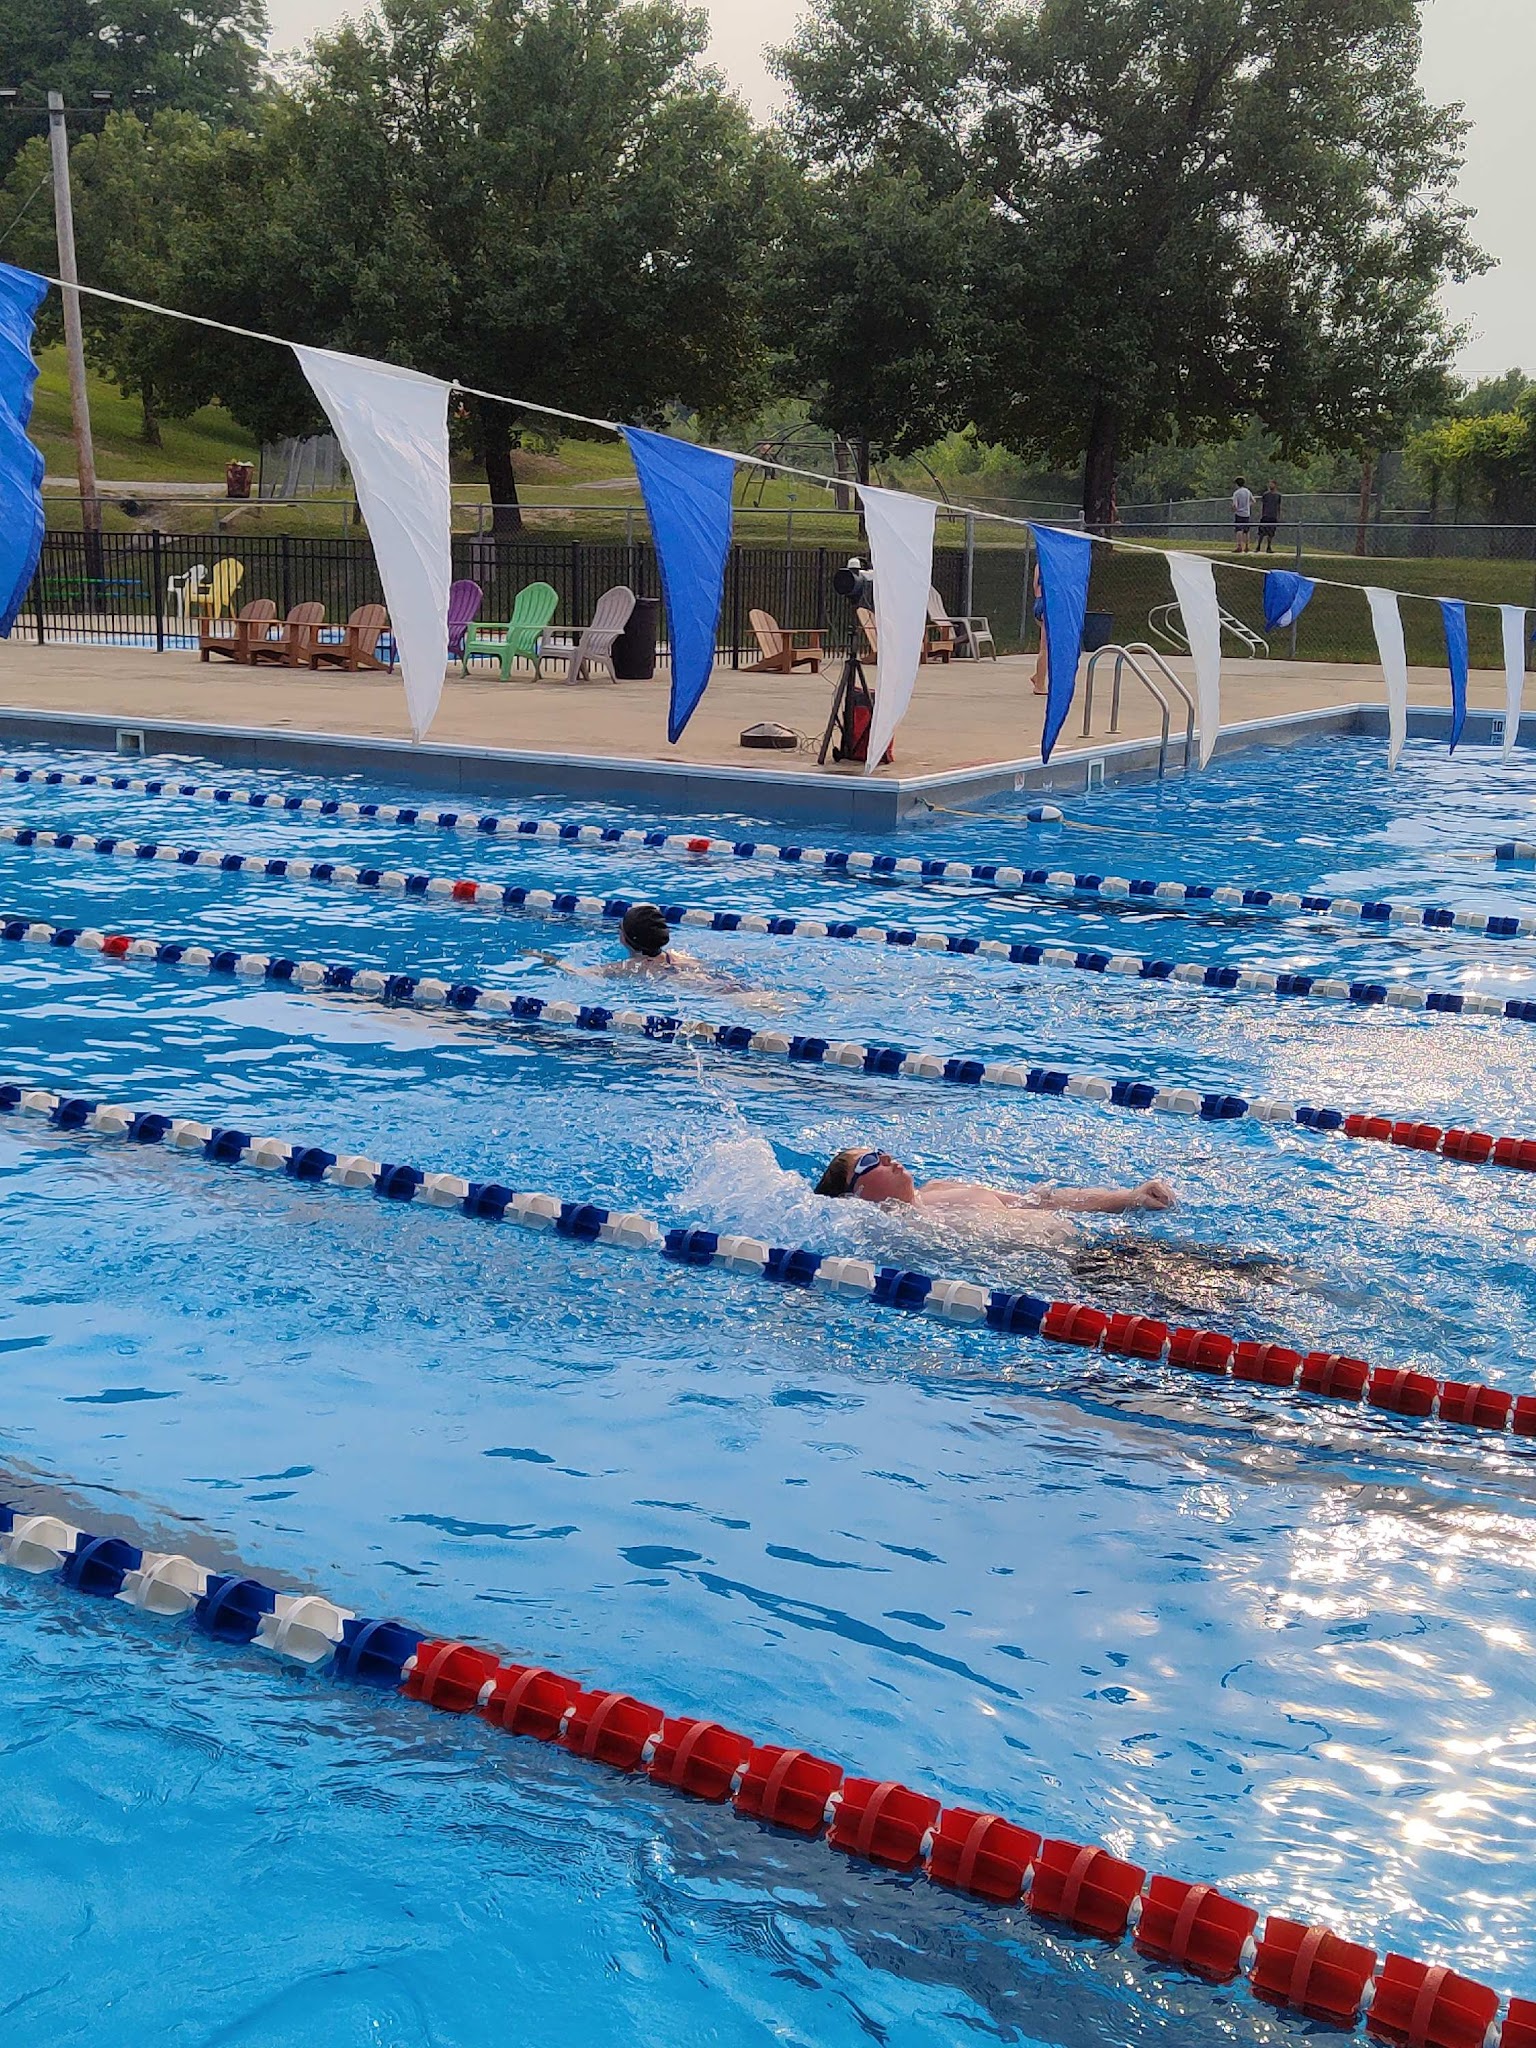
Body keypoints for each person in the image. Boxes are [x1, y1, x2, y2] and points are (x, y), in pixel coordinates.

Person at [815, 1146, 1177, 1215]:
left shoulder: (940, 1187)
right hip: (1076, 1281)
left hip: (1096, 1253)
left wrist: (1129, 1197)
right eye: (870, 1162)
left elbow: (1040, 1201)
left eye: (880, 1152)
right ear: (856, 1196)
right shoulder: (899, 1234)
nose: (888, 1159)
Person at [1030, 564, 1048, 696]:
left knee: (1047, 647)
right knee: (1046, 649)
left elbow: (1035, 585)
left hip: (1039, 600)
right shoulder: (1057, 561)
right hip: (1049, 603)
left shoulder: (1040, 561)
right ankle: (1040, 685)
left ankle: (1038, 676)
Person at [1256, 480, 1282, 553]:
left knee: (1271, 533)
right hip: (1265, 516)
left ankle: (1269, 547)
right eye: (1269, 484)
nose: (1270, 485)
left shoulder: (1278, 495)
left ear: (1275, 485)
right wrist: (1261, 514)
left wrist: (1278, 516)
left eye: (1272, 484)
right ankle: (1258, 547)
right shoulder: (1266, 495)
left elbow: (1278, 506)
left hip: (1273, 516)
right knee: (1262, 533)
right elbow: (1262, 505)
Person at [1231, 477, 1254, 554]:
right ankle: (1247, 546)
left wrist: (1234, 509)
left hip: (1239, 514)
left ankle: (1239, 546)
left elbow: (1235, 505)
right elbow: (1253, 501)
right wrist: (1247, 505)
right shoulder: (1247, 491)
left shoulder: (1236, 493)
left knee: (1239, 530)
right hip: (1247, 514)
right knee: (1246, 531)